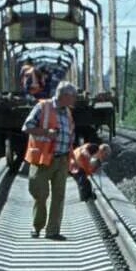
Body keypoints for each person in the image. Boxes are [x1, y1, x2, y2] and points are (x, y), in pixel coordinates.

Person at [21, 81, 78, 240]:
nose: (75, 100)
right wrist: (46, 132)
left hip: (62, 159)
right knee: (40, 193)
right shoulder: (43, 107)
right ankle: (37, 226)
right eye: (73, 96)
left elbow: (70, 133)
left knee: (59, 197)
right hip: (43, 158)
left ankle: (53, 231)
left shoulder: (67, 112)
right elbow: (26, 127)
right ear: (64, 96)